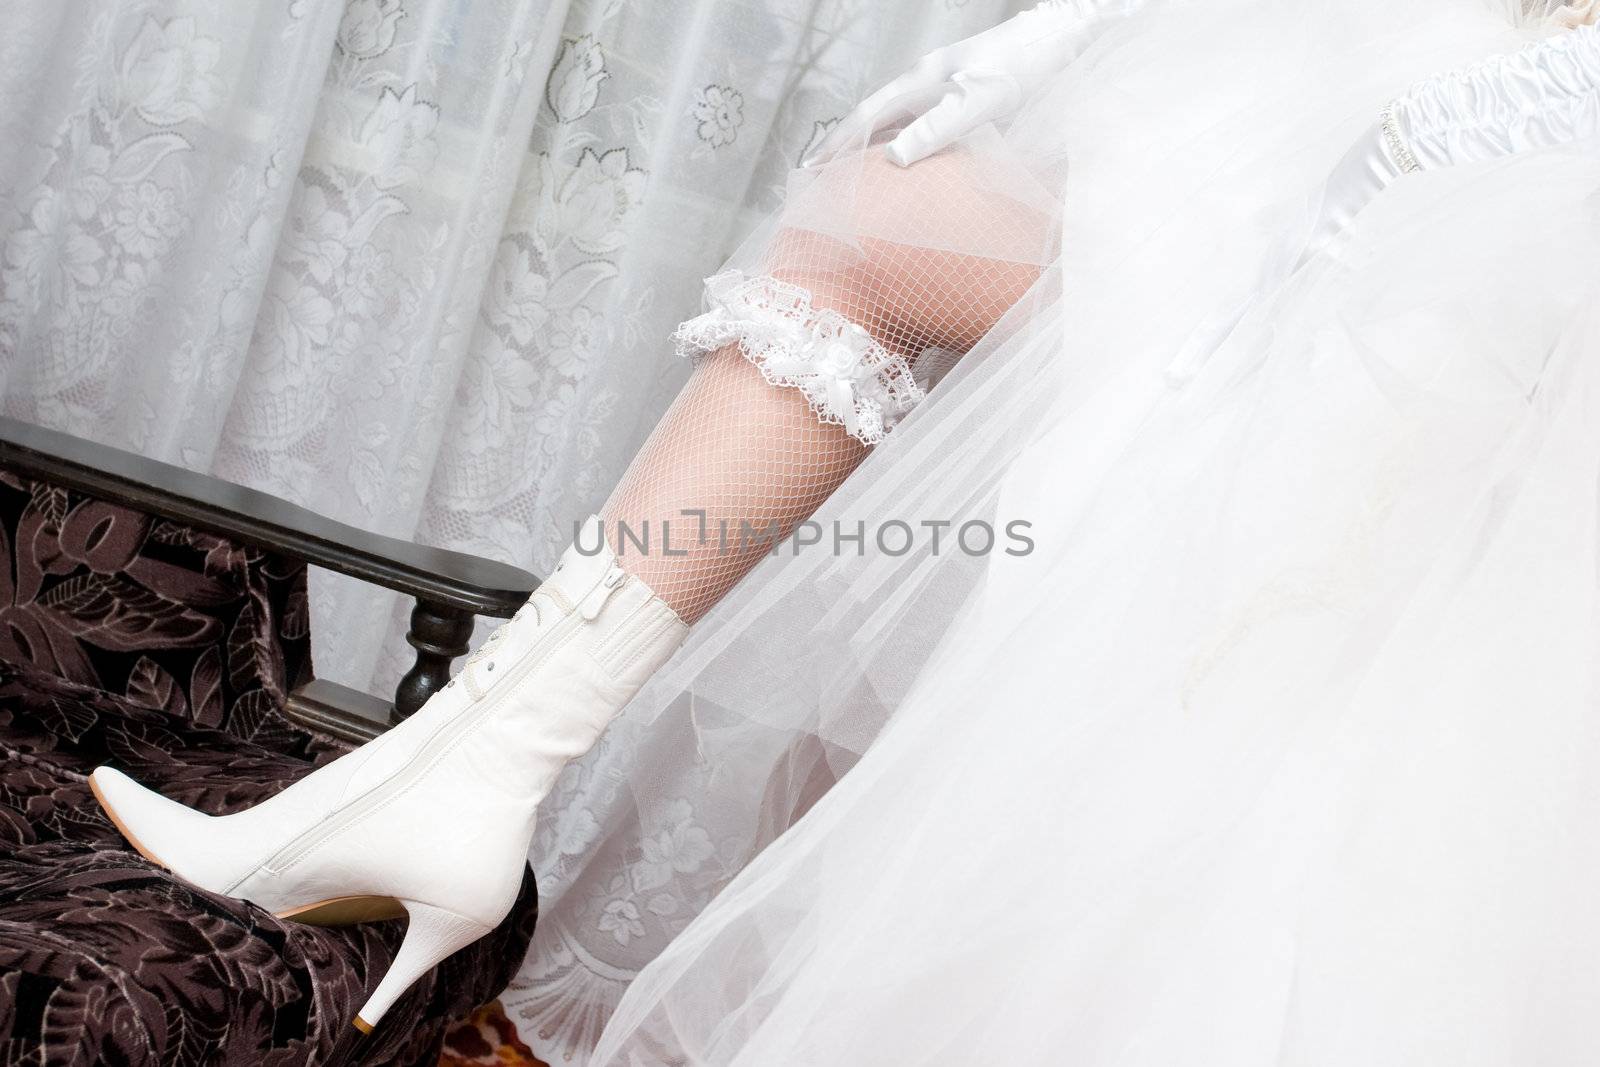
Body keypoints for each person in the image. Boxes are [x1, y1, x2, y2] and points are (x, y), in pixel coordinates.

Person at [90, 0, 1600, 1057]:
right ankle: (465, 774)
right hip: (1390, 123)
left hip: (1503, 296)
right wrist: (1089, 25)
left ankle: (453, 793)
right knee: (873, 225)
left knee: (1202, 812)